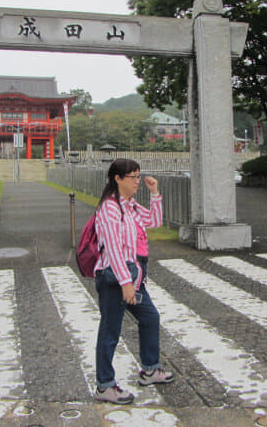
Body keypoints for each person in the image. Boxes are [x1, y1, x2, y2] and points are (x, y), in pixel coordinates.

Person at [93, 158, 174, 405]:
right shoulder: (109, 208)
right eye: (133, 177)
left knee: (150, 317)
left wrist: (155, 193)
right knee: (110, 331)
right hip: (114, 278)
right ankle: (104, 385)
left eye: (139, 176)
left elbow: (155, 222)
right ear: (118, 179)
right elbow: (114, 250)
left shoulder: (131, 206)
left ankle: (150, 369)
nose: (138, 181)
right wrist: (125, 283)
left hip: (133, 276)